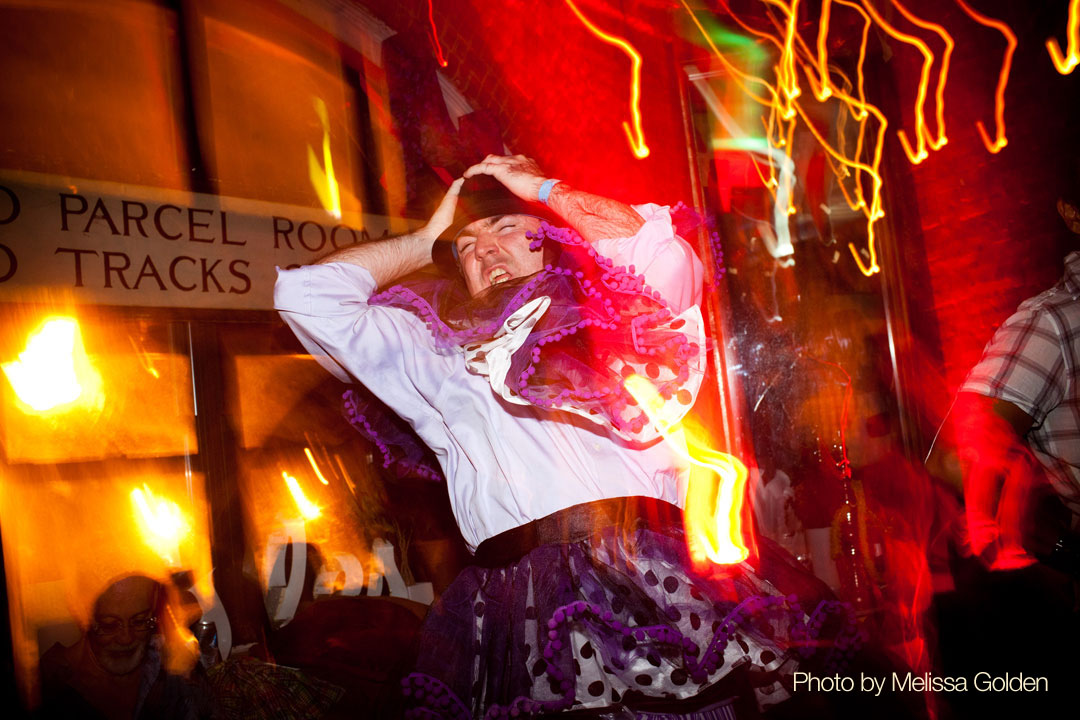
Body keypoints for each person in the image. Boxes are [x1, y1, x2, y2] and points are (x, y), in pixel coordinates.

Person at [275, 155, 855, 718]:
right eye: (468, 245)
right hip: (519, 600)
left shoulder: (621, 312)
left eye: (505, 227)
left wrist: (545, 191)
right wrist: (426, 237)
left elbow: (662, 254)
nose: (488, 251)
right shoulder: (429, 349)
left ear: (548, 236)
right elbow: (306, 298)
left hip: (649, 572)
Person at [37, 574, 212, 719]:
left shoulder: (170, 668)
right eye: (109, 624)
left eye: (139, 621)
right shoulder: (49, 687)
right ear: (83, 617)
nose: (126, 638)